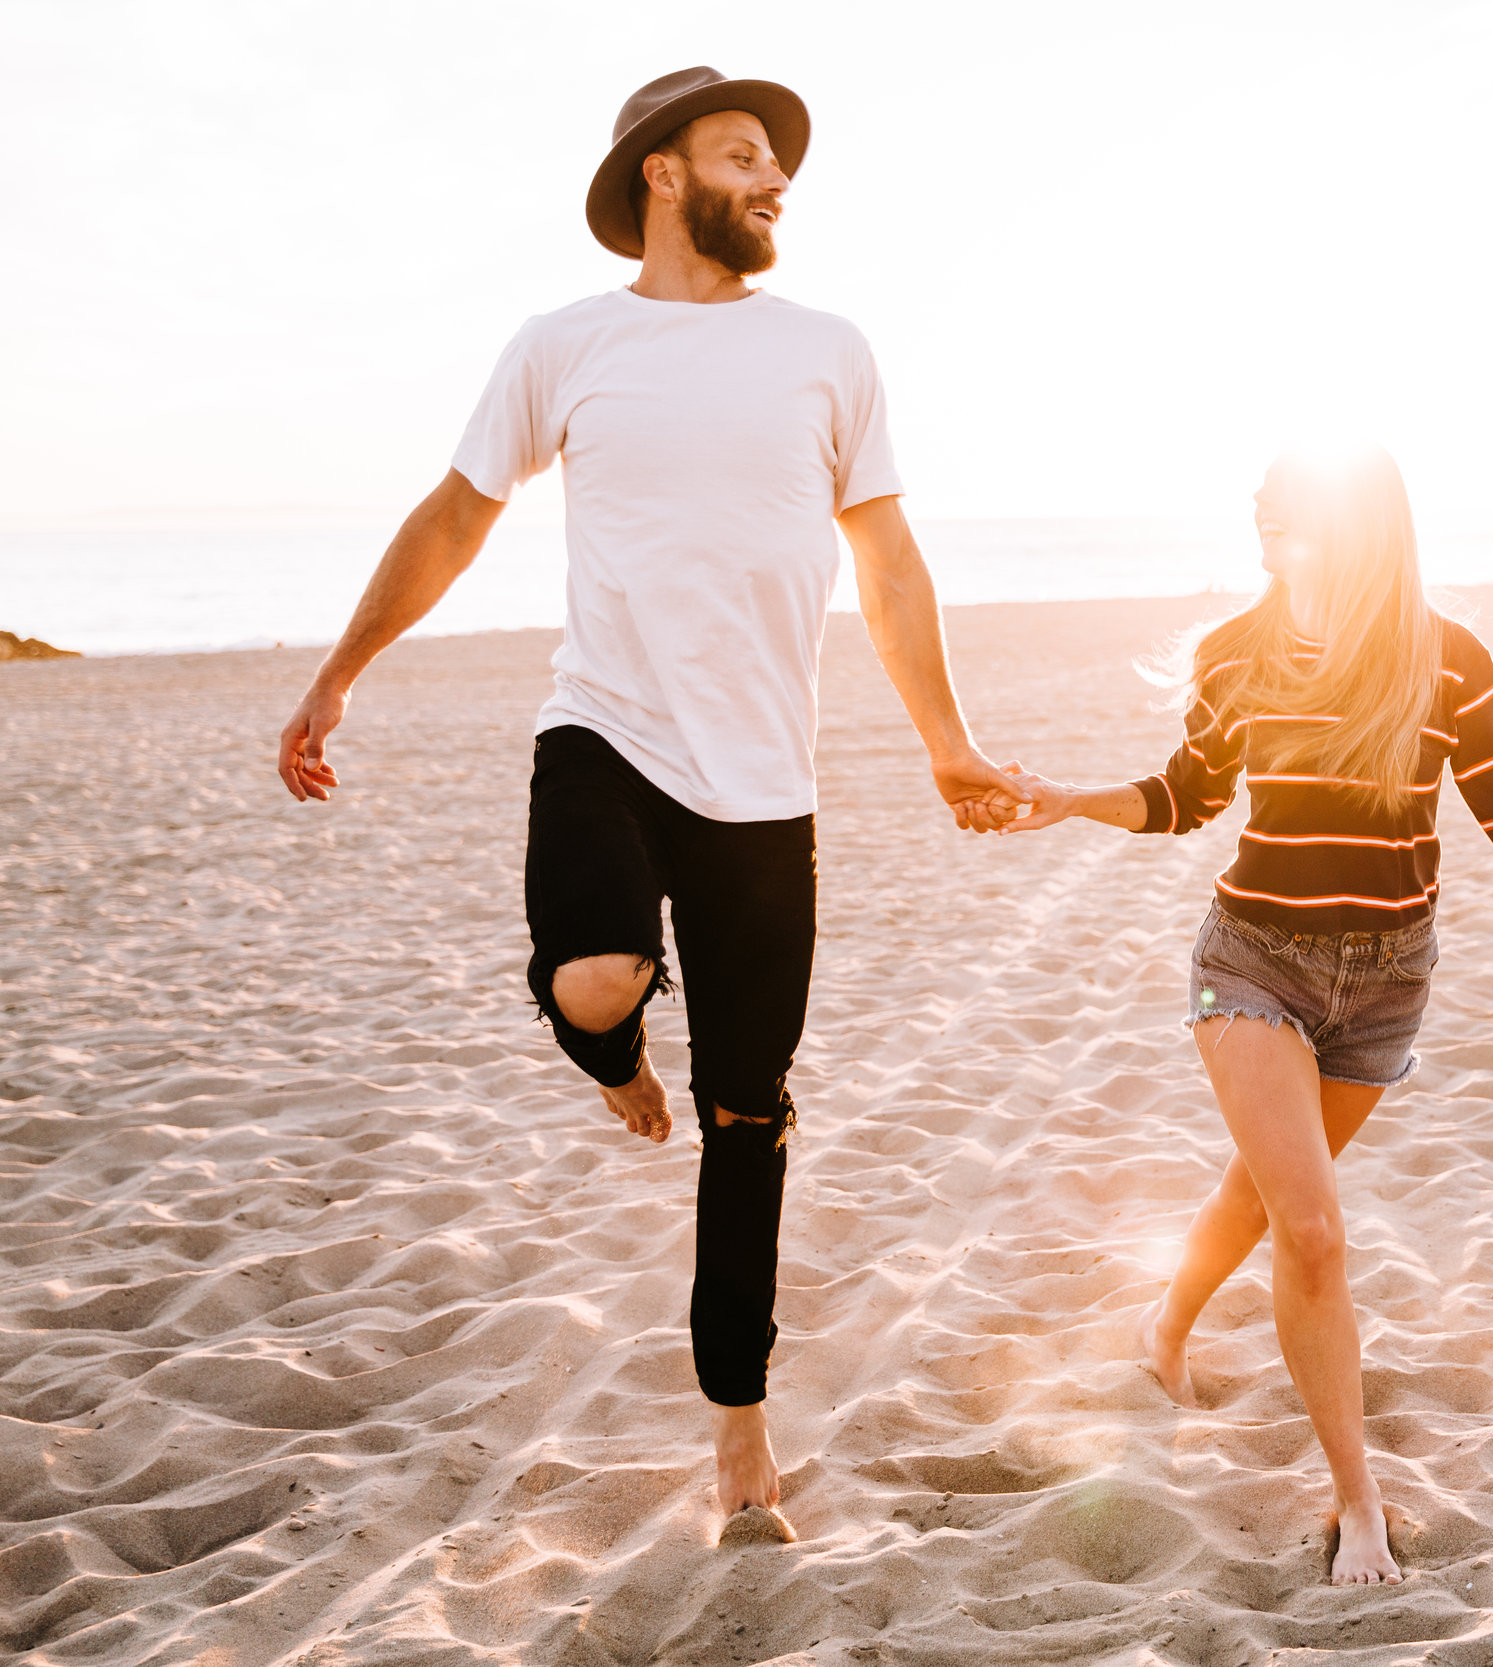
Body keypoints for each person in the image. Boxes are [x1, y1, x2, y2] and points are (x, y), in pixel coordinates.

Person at [273, 67, 1026, 1534]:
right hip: (606, 730)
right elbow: (454, 516)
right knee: (598, 970)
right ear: (664, 176)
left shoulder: (830, 351)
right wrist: (339, 670)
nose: (774, 179)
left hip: (767, 783)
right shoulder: (567, 342)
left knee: (750, 1115)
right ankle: (603, 1042)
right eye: (745, 154)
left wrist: (945, 736)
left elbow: (887, 562)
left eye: (777, 162)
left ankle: (739, 1429)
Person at [999, 446, 1493, 1585]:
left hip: (1387, 982)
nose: (1261, 510)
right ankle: (1359, 1503)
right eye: (1262, 501)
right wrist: (1068, 801)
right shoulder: (1234, 654)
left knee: (1262, 1193)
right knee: (1314, 1228)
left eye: (1287, 501)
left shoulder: (1446, 659)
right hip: (1251, 961)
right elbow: (1183, 797)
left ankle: (1166, 1324)